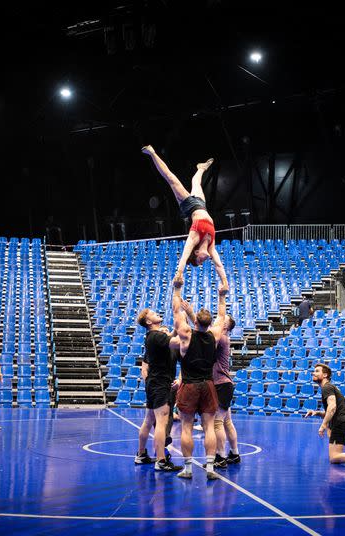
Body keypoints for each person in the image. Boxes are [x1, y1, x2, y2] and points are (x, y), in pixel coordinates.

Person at [141, 145, 229, 292]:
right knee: (196, 183)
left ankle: (152, 153)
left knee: (171, 178)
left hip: (189, 206)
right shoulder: (211, 246)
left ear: (196, 253)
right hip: (201, 206)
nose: (202, 261)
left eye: (199, 260)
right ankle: (201, 168)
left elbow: (184, 254)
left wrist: (179, 273)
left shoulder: (195, 237)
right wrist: (225, 282)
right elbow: (219, 265)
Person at [168, 273, 229, 480]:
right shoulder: (214, 337)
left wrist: (177, 288)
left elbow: (177, 311)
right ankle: (211, 468)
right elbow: (222, 317)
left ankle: (188, 468)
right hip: (208, 385)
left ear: (196, 323)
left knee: (186, 426)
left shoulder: (185, 335)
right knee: (209, 426)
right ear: (209, 323)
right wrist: (222, 296)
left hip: (190, 385)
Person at [134, 309, 182, 472]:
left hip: (154, 383)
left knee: (148, 420)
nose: (157, 313)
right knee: (161, 423)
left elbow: (171, 337)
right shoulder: (156, 336)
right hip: (160, 383)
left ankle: (141, 455)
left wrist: (175, 328)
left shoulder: (153, 337)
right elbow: (177, 341)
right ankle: (161, 460)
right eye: (153, 313)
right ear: (148, 321)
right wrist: (180, 322)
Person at [212, 314, 241, 469]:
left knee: (217, 422)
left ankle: (221, 456)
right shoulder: (222, 338)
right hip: (223, 383)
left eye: (220, 319)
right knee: (227, 421)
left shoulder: (221, 339)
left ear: (225, 326)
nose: (216, 319)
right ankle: (234, 453)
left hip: (221, 385)